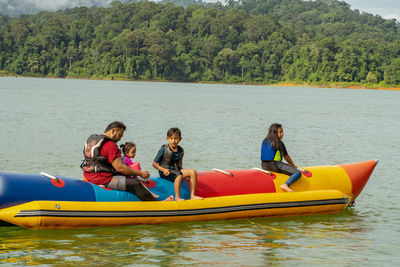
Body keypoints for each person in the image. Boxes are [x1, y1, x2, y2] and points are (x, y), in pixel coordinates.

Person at [81, 121, 172, 201]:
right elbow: (120, 168)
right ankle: (156, 204)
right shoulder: (110, 145)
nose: (120, 139)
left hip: (88, 175)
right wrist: (140, 173)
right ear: (113, 131)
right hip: (103, 179)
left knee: (127, 176)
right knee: (135, 183)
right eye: (120, 135)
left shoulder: (92, 141)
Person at [152, 128, 203, 201]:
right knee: (178, 175)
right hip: (165, 171)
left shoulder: (180, 150)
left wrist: (186, 175)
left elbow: (179, 165)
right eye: (171, 138)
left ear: (180, 139)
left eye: (176, 138)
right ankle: (177, 197)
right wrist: (163, 170)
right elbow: (154, 163)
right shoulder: (164, 149)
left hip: (175, 170)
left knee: (193, 171)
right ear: (167, 139)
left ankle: (192, 195)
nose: (173, 141)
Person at [261, 123, 302, 192]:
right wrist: (293, 166)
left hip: (264, 165)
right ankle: (285, 185)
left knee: (286, 167)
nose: (282, 134)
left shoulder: (265, 141)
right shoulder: (278, 142)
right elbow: (286, 157)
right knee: (297, 173)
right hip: (274, 165)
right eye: (280, 132)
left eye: (282, 132)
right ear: (274, 133)